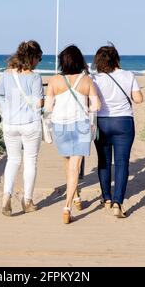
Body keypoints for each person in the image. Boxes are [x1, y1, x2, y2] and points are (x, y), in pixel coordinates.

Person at [45, 45, 101, 224]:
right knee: (75, 167)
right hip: (80, 126)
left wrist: (47, 127)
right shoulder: (86, 80)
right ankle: (67, 206)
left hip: (60, 125)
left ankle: (75, 197)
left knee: (68, 162)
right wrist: (88, 110)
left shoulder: (54, 80)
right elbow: (97, 105)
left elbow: (47, 108)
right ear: (79, 60)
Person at [0, 40, 44, 216]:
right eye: (39, 58)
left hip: (10, 124)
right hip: (30, 124)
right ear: (33, 57)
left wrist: (6, 108)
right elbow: (38, 103)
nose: (39, 62)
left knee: (13, 160)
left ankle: (6, 197)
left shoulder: (7, 74)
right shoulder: (35, 77)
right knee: (30, 161)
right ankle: (27, 201)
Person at [91, 44, 143, 218]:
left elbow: (91, 102)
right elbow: (138, 99)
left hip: (102, 122)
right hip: (124, 123)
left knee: (104, 161)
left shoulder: (95, 79)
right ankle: (117, 203)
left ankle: (106, 198)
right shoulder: (128, 75)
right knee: (122, 163)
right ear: (116, 59)